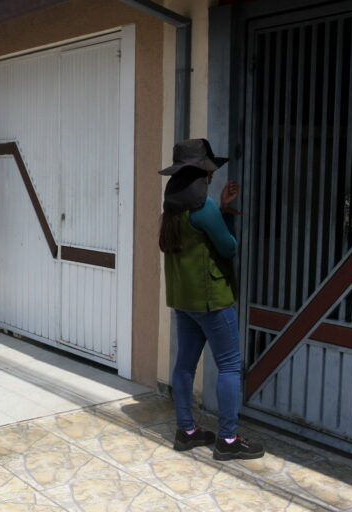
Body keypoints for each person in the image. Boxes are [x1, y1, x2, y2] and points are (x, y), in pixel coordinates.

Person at [158, 138, 264, 461]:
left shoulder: (172, 208)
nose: (212, 175)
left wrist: (223, 207)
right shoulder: (203, 209)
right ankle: (228, 440)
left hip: (184, 302)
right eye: (209, 170)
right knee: (230, 365)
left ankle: (186, 431)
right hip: (212, 302)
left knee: (185, 365)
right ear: (202, 173)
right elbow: (228, 247)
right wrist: (227, 212)